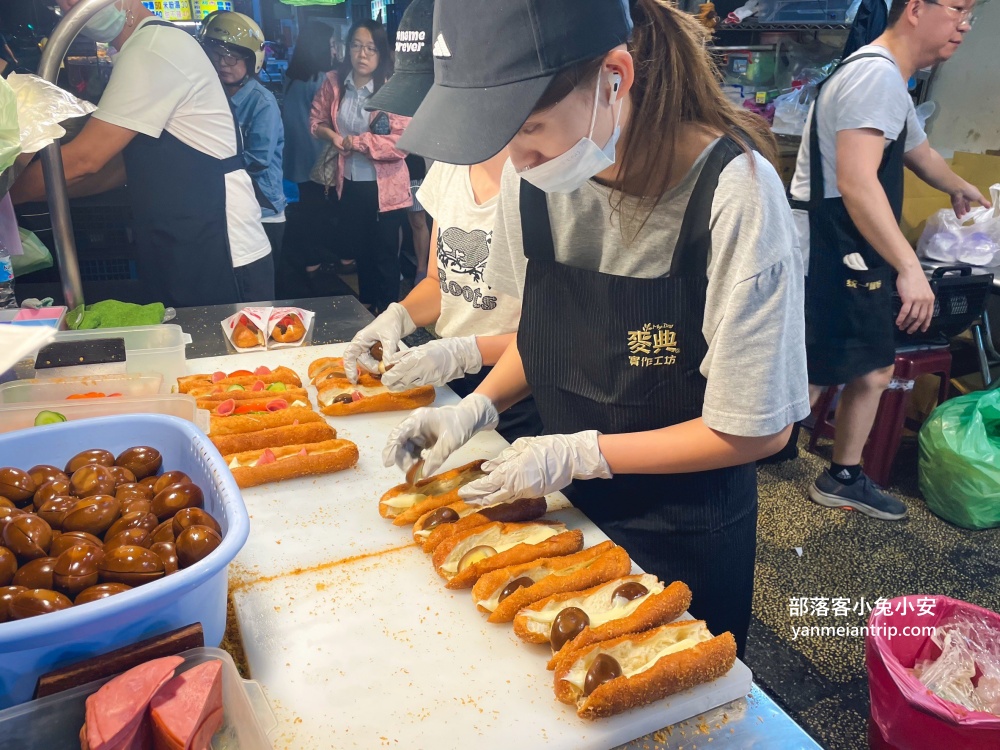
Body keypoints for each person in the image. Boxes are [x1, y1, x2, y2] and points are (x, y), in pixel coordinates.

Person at [384, 0, 809, 657]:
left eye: (531, 129)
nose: (518, 161)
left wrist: (583, 452)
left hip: (683, 529)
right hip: (563, 512)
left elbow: (756, 425)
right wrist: (474, 408)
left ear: (614, 78)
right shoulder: (540, 179)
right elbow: (547, 335)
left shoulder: (736, 197)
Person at [789, 0, 987, 520]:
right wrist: (909, 266)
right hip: (836, 245)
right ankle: (740, 464)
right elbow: (856, 182)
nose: (965, 25)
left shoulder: (891, 82)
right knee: (814, 370)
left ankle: (842, 475)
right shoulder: (874, 76)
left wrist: (960, 187)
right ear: (916, 9)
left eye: (972, 15)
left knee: (870, 365)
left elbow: (917, 151)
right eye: (959, 9)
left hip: (856, 242)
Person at [342, 0, 541, 442]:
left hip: (520, 391)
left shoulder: (542, 174)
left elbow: (555, 335)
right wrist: (398, 317)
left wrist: (465, 352)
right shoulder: (451, 160)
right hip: (449, 378)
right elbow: (439, 280)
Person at [11, 0, 272, 307]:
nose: (67, 7)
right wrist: (35, 194)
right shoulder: (144, 47)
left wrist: (8, 193)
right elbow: (119, 167)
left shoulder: (153, 49)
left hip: (221, 248)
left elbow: (85, 159)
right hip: (185, 243)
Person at [309, 18, 411, 314]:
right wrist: (332, 136)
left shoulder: (394, 89)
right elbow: (315, 121)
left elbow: (402, 142)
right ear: (346, 49)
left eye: (370, 48)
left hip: (386, 189)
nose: (362, 54)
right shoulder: (335, 83)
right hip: (349, 181)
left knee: (384, 255)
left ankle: (389, 312)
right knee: (361, 250)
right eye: (356, 46)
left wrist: (359, 143)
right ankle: (366, 306)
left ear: (382, 53)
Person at [201, 12, 286, 281]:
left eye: (232, 56)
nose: (222, 63)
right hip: (226, 208)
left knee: (260, 289)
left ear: (252, 61)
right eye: (216, 54)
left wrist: (206, 170)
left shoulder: (262, 101)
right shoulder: (211, 96)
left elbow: (259, 158)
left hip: (263, 211)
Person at [280, 22, 337, 295]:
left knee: (307, 209)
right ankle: (315, 263)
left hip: (296, 154)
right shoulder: (321, 80)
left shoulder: (292, 75)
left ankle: (310, 261)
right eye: (329, 44)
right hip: (315, 155)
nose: (333, 49)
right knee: (319, 212)